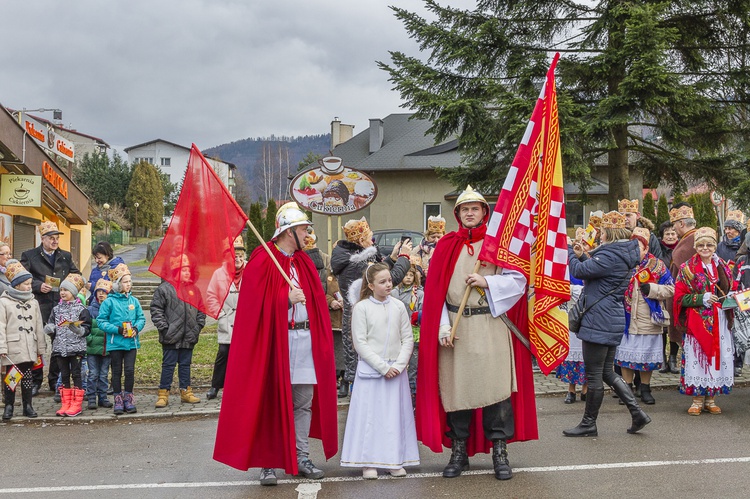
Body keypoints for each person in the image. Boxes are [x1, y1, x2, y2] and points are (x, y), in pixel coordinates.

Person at [416, 186, 536, 481]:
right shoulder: (446, 246)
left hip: (491, 325)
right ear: (458, 215)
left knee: (496, 392)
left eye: (475, 209)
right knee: (458, 392)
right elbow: (436, 295)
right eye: (464, 210)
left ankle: (500, 452)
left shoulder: (497, 245)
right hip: (457, 328)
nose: (470, 213)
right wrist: (443, 326)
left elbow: (518, 280)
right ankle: (459, 452)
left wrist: (487, 281)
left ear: (485, 213)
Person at [213, 202, 338, 486]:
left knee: (303, 402)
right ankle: (268, 463)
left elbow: (317, 303)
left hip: (305, 340)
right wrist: (284, 300)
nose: (308, 234)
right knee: (271, 400)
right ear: (288, 231)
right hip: (276, 342)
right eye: (304, 229)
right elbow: (253, 308)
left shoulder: (305, 262)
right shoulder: (262, 260)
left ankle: (302, 456)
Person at [564, 210, 651, 437]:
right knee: (606, 373)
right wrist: (582, 255)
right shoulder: (622, 253)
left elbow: (579, 271)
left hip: (598, 320)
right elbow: (597, 272)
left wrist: (570, 253)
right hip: (610, 318)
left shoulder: (610, 255)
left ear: (608, 234)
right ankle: (637, 413)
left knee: (594, 375)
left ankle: (588, 423)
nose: (599, 236)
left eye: (602, 232)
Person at [340, 263, 418, 478]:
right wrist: (383, 367)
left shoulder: (398, 306)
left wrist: (399, 365)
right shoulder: (361, 308)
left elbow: (407, 338)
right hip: (372, 372)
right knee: (370, 417)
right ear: (371, 285)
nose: (388, 285)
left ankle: (393, 460)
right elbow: (360, 343)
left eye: (390, 281)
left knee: (394, 417)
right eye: (382, 282)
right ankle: (368, 462)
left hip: (396, 371)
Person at [331, 217, 411, 398]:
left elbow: (375, 274)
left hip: (361, 317)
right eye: (370, 237)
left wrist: (391, 259)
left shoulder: (352, 259)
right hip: (365, 321)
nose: (373, 240)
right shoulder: (358, 263)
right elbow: (386, 281)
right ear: (361, 241)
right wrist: (405, 258)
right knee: (367, 373)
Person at [674, 227, 735, 415]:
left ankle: (711, 398)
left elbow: (730, 287)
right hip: (698, 322)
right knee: (698, 358)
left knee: (716, 358)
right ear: (696, 247)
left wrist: (732, 297)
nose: (706, 248)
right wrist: (701, 298)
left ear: (715, 246)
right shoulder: (687, 269)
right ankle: (696, 400)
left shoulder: (722, 265)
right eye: (701, 245)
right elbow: (678, 298)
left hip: (720, 320)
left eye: (709, 244)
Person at [20, 220, 81, 396]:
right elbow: (23, 278)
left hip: (60, 306)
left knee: (59, 342)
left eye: (56, 238)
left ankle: (54, 380)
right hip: (39, 304)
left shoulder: (65, 256)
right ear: (43, 238)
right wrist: (37, 285)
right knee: (37, 344)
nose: (55, 241)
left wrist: (70, 287)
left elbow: (75, 274)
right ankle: (35, 380)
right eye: (51, 238)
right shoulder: (29, 255)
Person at [615, 227, 675, 405]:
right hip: (625, 318)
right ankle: (627, 389)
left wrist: (653, 289)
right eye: (633, 246)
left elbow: (671, 288)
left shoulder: (657, 265)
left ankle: (645, 388)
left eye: (639, 246)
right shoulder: (623, 264)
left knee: (647, 356)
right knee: (626, 357)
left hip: (649, 317)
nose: (636, 250)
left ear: (646, 248)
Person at [150, 255, 206, 407]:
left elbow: (201, 309)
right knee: (168, 365)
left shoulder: (194, 289)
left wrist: (198, 326)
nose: (187, 273)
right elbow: (156, 309)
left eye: (188, 270)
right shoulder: (165, 290)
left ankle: (186, 391)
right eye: (183, 270)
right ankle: (163, 393)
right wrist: (164, 328)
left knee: (185, 365)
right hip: (171, 336)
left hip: (189, 335)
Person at [97, 264, 146, 415]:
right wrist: (117, 330)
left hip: (131, 343)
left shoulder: (134, 301)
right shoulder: (109, 302)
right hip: (115, 343)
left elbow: (141, 318)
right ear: (118, 284)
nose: (128, 284)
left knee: (130, 371)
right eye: (125, 282)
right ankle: (118, 398)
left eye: (130, 281)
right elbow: (101, 321)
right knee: (117, 371)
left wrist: (136, 329)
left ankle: (129, 398)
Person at [0, 261, 45, 419]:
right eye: (26, 284)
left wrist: (41, 347)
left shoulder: (33, 302)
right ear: (17, 285)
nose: (29, 287)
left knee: (27, 376)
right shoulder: (4, 302)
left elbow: (38, 325)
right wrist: (2, 347)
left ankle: (28, 406)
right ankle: (9, 406)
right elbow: (1, 326)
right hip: (13, 347)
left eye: (30, 284)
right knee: (11, 378)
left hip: (29, 346)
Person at [44, 274, 91, 417]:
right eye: (61, 290)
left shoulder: (81, 309)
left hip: (76, 348)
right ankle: (66, 403)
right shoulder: (56, 309)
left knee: (76, 374)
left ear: (74, 293)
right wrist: (49, 328)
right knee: (64, 374)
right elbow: (51, 322)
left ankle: (77, 404)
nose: (63, 293)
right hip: (60, 348)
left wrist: (79, 330)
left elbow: (87, 328)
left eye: (66, 290)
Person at [205, 236, 246, 400]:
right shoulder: (219, 273)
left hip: (244, 321)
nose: (237, 259)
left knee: (244, 356)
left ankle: (241, 386)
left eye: (240, 255)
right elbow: (210, 297)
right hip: (227, 321)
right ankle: (215, 386)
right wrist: (221, 315)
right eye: (234, 255)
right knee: (223, 353)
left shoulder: (250, 270)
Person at [391, 263, 423, 403]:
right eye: (406, 275)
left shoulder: (418, 293)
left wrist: (418, 316)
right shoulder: (394, 292)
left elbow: (423, 310)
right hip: (396, 330)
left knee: (413, 362)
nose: (408, 278)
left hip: (414, 330)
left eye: (411, 275)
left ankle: (412, 391)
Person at [86, 279, 113, 410]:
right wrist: (89, 339)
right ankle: (91, 398)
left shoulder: (111, 309)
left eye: (104, 292)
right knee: (93, 374)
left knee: (103, 374)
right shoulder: (90, 309)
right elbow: (86, 327)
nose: (101, 294)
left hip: (107, 348)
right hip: (92, 349)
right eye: (99, 292)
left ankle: (103, 397)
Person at [658, 222, 680, 373]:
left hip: (676, 292)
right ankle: (662, 360)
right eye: (668, 234)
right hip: (661, 291)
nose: (671, 236)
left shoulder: (681, 250)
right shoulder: (659, 250)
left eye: (673, 233)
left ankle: (673, 358)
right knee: (662, 328)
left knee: (674, 326)